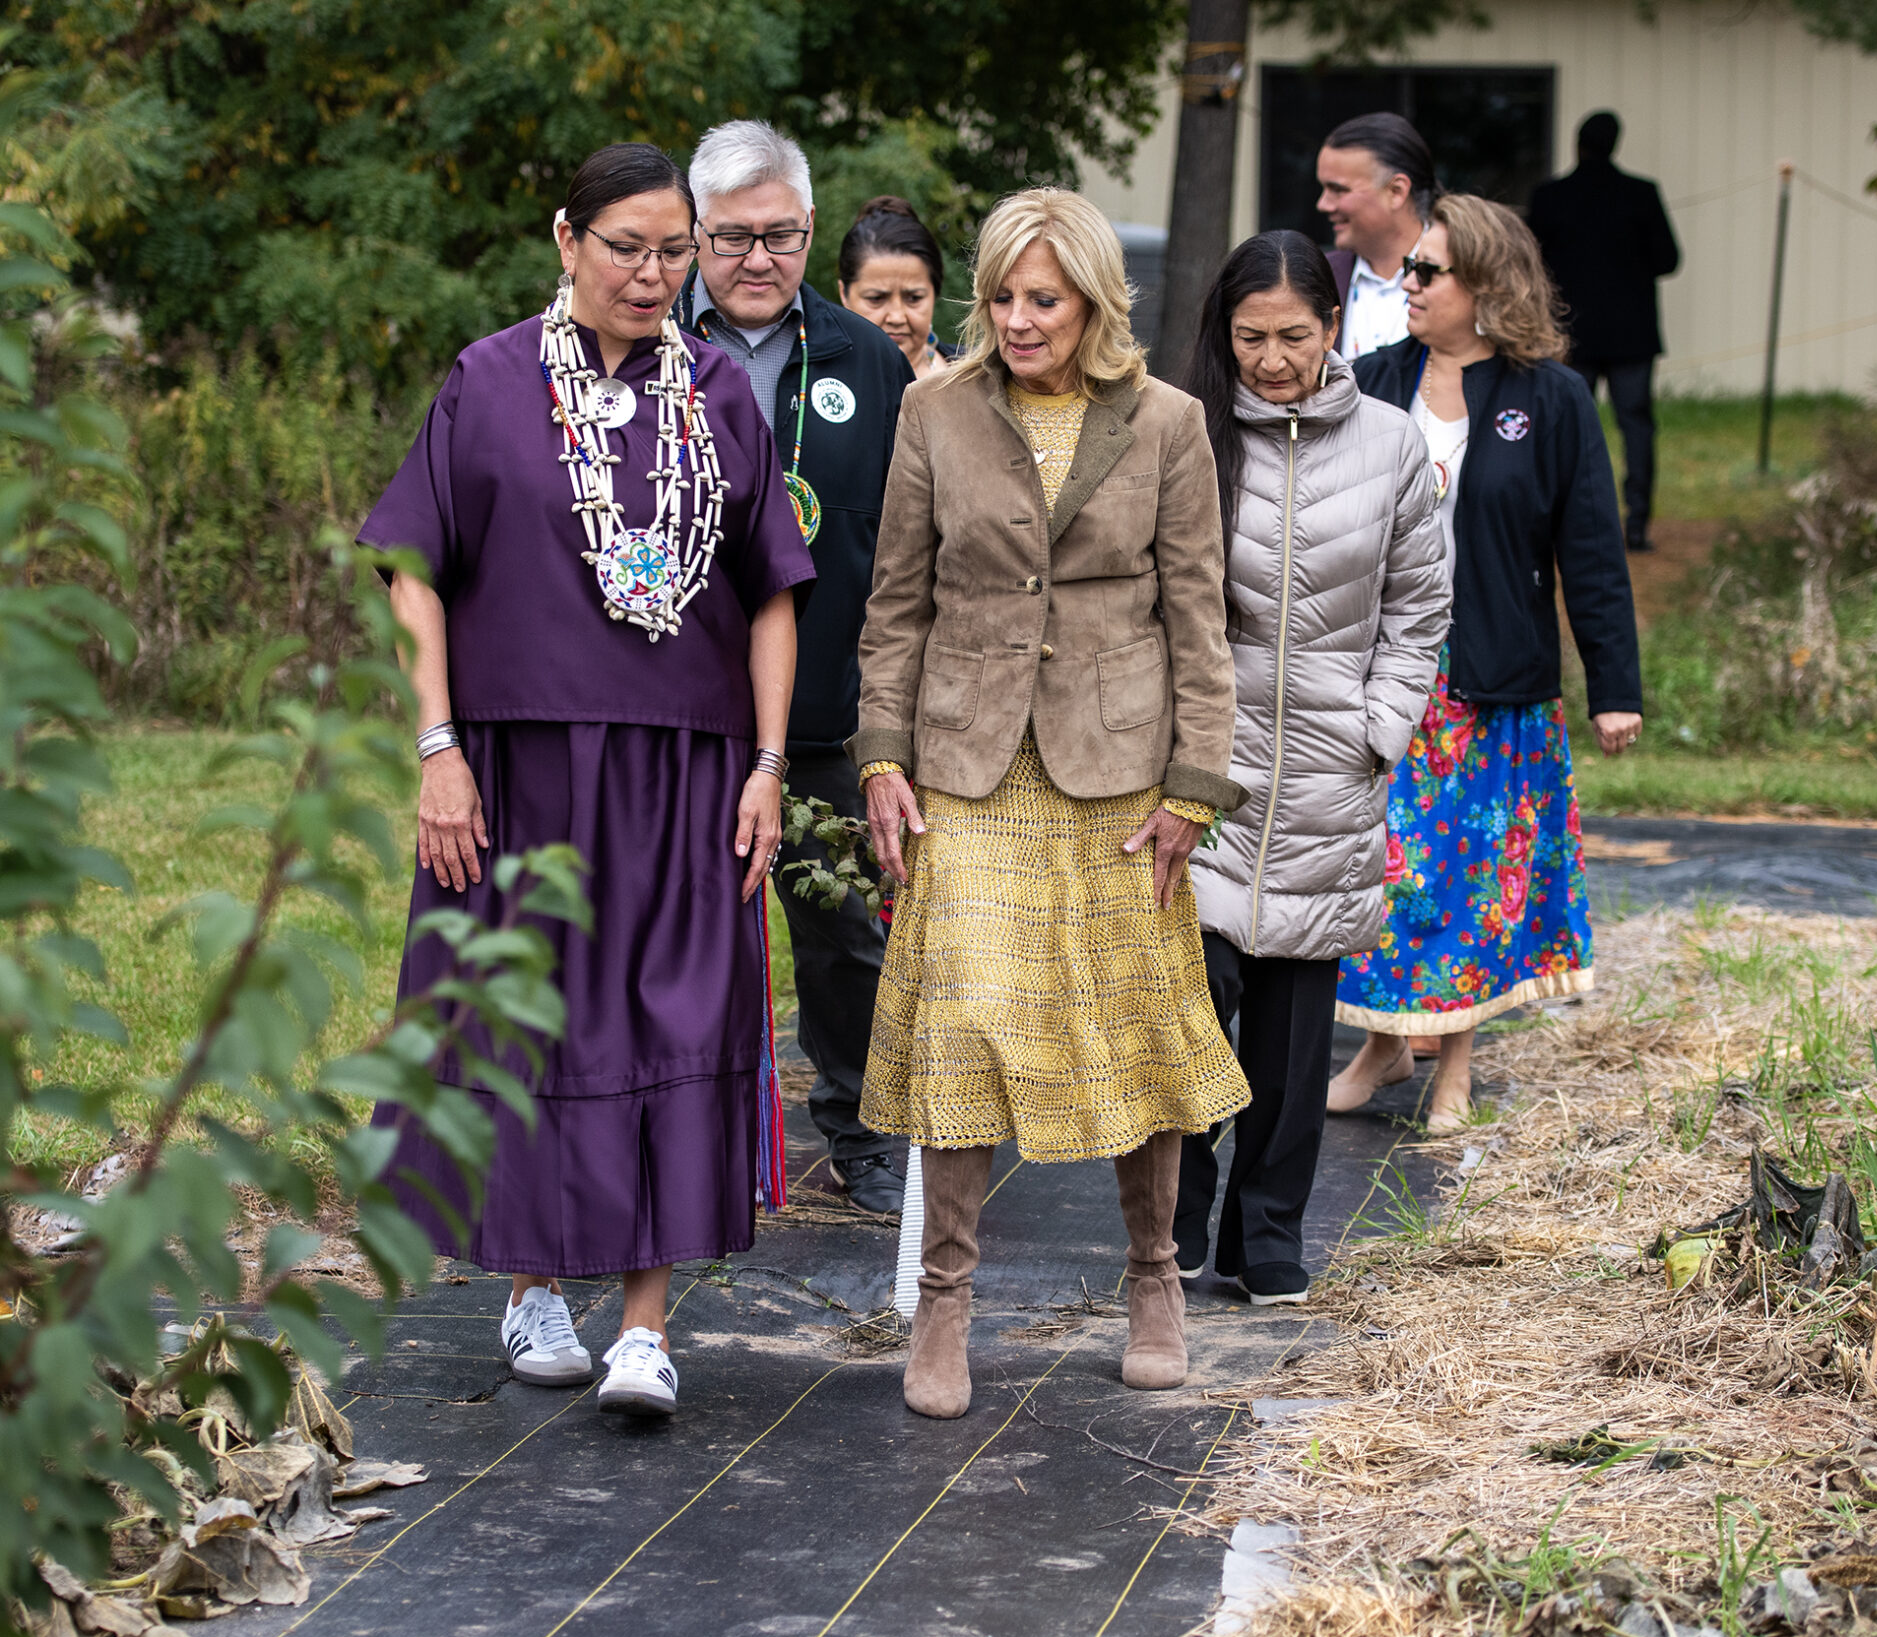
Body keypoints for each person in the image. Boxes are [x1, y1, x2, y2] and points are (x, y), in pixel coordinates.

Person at [362, 142, 815, 1418]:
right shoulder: (489, 382)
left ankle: (645, 1326)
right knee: (525, 1015)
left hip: (684, 766)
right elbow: (413, 566)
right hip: (514, 761)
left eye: (676, 251)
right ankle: (530, 1285)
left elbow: (774, 591)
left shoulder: (718, 390)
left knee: (669, 1017)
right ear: (566, 240)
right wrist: (437, 746)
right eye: (627, 247)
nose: (654, 273)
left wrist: (770, 763)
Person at [855, 187, 1251, 1419]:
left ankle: (1153, 1278)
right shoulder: (934, 410)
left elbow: (1199, 616)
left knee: (1131, 1028)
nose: (1017, 320)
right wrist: (881, 759)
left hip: (1119, 771)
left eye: (1044, 300)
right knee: (964, 1022)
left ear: (1092, 302)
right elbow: (895, 606)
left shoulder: (1170, 423)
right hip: (964, 768)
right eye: (1002, 298)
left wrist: (1196, 785)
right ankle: (945, 1302)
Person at [1327, 193, 1644, 1133]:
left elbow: (1590, 551)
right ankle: (1383, 1049)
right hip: (1381, 671)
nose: (1409, 285)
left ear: (1486, 286)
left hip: (1490, 679)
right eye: (1410, 270)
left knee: (1462, 876)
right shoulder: (1371, 380)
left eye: (1429, 272)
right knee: (1384, 869)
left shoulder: (1551, 400)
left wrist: (1613, 690)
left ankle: (1454, 1065)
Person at [1175, 232, 1450, 1306]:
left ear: (1334, 328)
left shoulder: (1388, 444)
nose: (1273, 358)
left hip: (1332, 766)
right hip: (1210, 769)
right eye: (1251, 337)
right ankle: (1181, 1221)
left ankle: (1270, 1232)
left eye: (1294, 335)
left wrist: (1379, 728)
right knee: (1192, 1006)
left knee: (1294, 1037)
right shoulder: (1185, 430)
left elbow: (1419, 605)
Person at [675, 120, 915, 1217]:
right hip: (675, 713)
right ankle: (688, 1137)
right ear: (694, 235)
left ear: (811, 231)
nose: (756, 259)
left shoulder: (871, 360)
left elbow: (910, 549)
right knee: (681, 938)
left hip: (829, 709)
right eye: (731, 238)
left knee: (841, 939)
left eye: (780, 235)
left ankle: (862, 1131)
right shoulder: (646, 349)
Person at [1526, 112, 1681, 554]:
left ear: (1578, 143)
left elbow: (1530, 262)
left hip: (1571, 332)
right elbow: (1668, 259)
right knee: (1636, 425)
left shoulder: (1552, 197)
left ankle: (1567, 523)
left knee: (1567, 428)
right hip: (1631, 331)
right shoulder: (1640, 194)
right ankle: (1637, 524)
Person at [1315, 112, 1435, 361]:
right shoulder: (1316, 278)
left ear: (1396, 191)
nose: (1323, 204)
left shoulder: (1460, 278)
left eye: (1338, 190)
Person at [839, 194, 956, 381]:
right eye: (876, 299)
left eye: (914, 298)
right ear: (844, 294)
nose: (896, 317)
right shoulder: (818, 383)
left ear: (934, 292)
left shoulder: (980, 378)